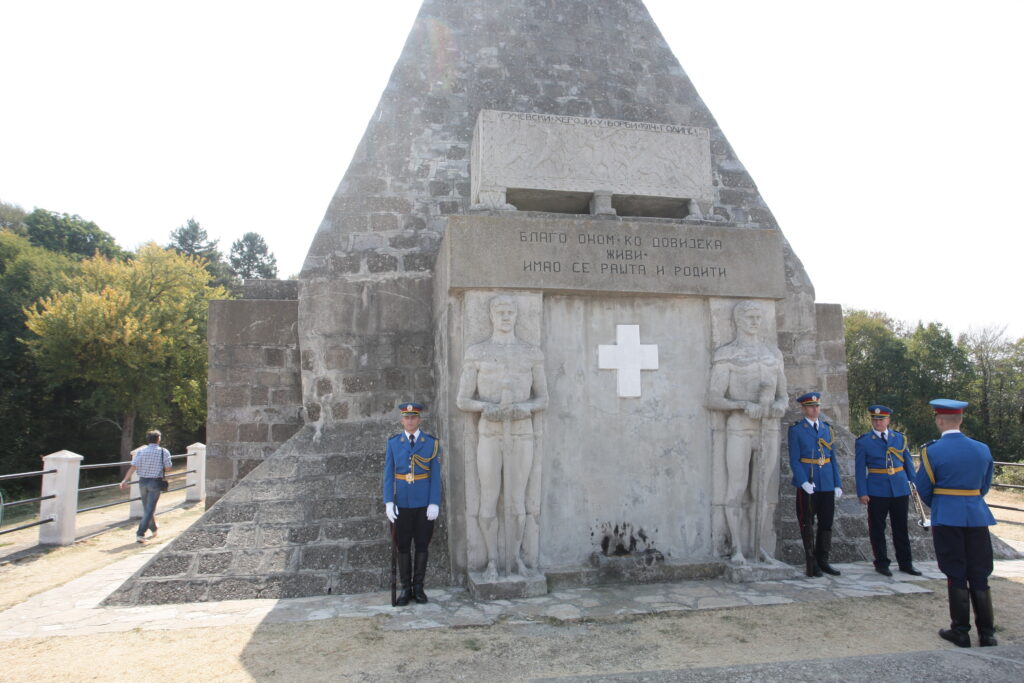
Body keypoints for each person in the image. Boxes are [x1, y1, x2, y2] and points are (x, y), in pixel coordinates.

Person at [456, 295, 548, 579]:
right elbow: (463, 399)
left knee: (517, 500)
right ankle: (492, 561)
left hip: (520, 431)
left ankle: (516, 559)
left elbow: (543, 399)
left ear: (517, 315)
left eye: (510, 311)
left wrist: (524, 408)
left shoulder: (531, 353)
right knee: (489, 497)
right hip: (491, 430)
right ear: (492, 316)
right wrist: (487, 407)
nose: (506, 316)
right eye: (501, 311)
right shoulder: (477, 352)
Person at [706, 299, 788, 564]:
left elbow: (784, 397)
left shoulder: (773, 355)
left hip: (768, 428)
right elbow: (713, 398)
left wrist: (776, 406)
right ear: (738, 321)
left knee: (761, 491)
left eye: (758, 317)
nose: (755, 321)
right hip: (740, 427)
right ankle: (737, 548)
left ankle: (758, 547)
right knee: (737, 487)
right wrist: (742, 405)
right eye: (750, 317)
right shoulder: (727, 354)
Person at [915, 398, 997, 647]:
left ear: (939, 420)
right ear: (960, 420)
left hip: (948, 516)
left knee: (955, 571)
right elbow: (984, 485)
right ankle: (987, 634)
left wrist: (942, 503)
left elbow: (923, 487)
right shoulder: (982, 449)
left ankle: (960, 631)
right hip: (975, 515)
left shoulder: (932, 451)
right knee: (980, 573)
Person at [383, 401, 442, 606]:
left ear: (419, 419)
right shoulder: (393, 443)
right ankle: (405, 589)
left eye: (414, 417)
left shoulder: (431, 443)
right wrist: (389, 502)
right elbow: (388, 475)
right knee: (403, 547)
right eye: (407, 417)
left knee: (422, 545)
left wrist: (434, 502)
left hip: (424, 504)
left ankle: (419, 588)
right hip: (402, 505)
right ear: (402, 420)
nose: (410, 421)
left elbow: (436, 476)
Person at [854, 405, 922, 577]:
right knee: (877, 528)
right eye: (875, 419)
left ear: (888, 420)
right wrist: (862, 492)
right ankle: (881, 562)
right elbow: (860, 469)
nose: (878, 422)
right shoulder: (864, 441)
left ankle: (906, 563)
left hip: (899, 488)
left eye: (881, 419)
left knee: (901, 527)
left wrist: (914, 485)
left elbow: (908, 464)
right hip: (877, 489)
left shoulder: (899, 439)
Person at [788, 391, 843, 577]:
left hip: (826, 481)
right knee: (807, 523)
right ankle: (811, 562)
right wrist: (803, 481)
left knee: (826, 523)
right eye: (811, 406)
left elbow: (832, 458)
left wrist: (837, 483)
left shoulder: (827, 429)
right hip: (809, 482)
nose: (815, 409)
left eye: (817, 406)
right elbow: (795, 459)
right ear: (804, 409)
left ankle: (823, 559)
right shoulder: (797, 430)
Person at [119, 429, 172, 543]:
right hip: (155, 482)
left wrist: (124, 480)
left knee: (147, 507)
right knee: (149, 508)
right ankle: (140, 533)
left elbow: (133, 466)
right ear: (158, 439)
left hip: (142, 481)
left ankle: (154, 528)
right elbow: (167, 468)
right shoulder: (163, 451)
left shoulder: (141, 452)